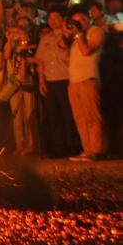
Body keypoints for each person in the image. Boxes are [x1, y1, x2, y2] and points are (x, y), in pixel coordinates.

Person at [33, 8, 78, 158]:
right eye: (50, 18)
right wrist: (41, 80)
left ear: (63, 19)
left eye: (56, 17)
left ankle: (72, 147)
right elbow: (40, 61)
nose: (52, 21)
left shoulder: (69, 36)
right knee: (53, 116)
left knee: (67, 115)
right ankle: (58, 149)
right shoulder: (45, 38)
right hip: (50, 81)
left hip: (65, 79)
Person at [67, 8, 106, 161]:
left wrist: (77, 33)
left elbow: (86, 51)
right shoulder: (74, 37)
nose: (79, 23)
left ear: (88, 18)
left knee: (92, 117)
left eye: (82, 20)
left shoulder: (96, 32)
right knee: (80, 118)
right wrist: (68, 33)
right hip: (74, 81)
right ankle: (87, 150)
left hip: (89, 79)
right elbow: (62, 48)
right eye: (75, 21)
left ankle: (96, 150)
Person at [3, 20, 38, 155]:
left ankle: (31, 144)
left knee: (29, 114)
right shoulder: (11, 45)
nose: (18, 33)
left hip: (28, 83)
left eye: (21, 30)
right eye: (16, 30)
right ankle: (19, 145)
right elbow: (6, 56)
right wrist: (9, 40)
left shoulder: (32, 45)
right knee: (16, 115)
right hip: (14, 83)